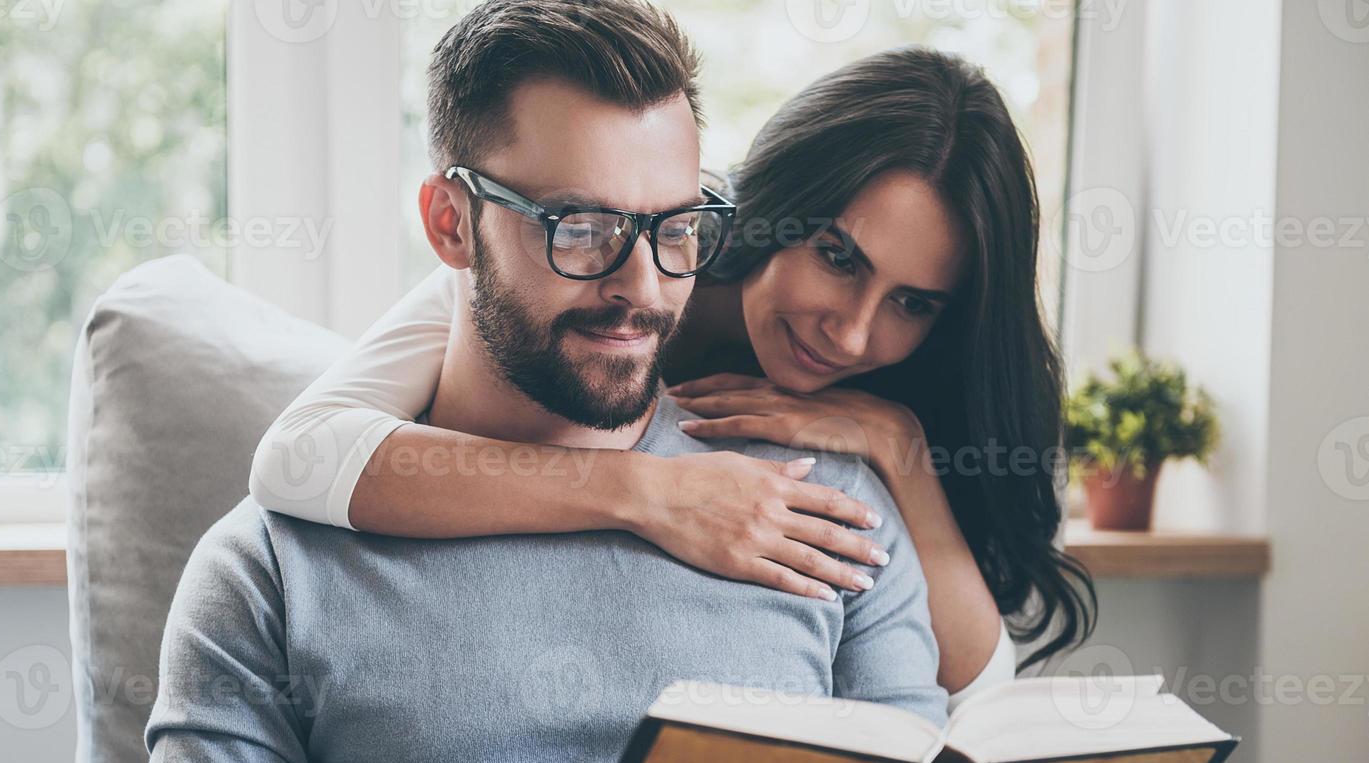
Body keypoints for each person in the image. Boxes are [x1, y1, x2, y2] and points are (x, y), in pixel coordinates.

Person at [103, 2, 1161, 763]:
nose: (642, 286)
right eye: (580, 227)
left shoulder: (828, 498)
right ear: (449, 225)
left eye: (673, 227)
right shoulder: (275, 560)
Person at [249, 46, 1096, 712]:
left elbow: (974, 696)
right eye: (836, 258)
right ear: (775, 205)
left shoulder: (897, 406)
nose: (853, 331)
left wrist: (899, 449)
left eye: (913, 302)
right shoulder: (602, 252)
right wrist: (648, 492)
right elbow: (300, 456)